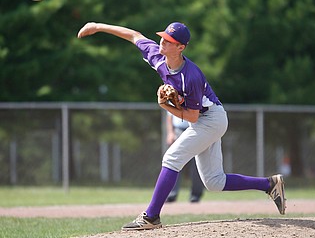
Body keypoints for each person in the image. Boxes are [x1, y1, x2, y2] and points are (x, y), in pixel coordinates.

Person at [77, 21, 286, 230]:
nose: (163, 42)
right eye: (163, 37)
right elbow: (134, 35)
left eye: (170, 41)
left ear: (181, 47)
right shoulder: (158, 58)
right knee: (214, 182)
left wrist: (165, 106)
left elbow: (193, 118)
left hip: (211, 119)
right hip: (207, 119)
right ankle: (269, 184)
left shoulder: (191, 76)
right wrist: (97, 26)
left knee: (172, 157)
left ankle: (151, 217)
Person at [166, 113, 204, 203]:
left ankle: (195, 195)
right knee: (174, 163)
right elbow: (169, 116)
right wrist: (170, 133)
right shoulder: (173, 98)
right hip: (178, 130)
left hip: (195, 130)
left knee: (197, 164)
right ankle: (171, 194)